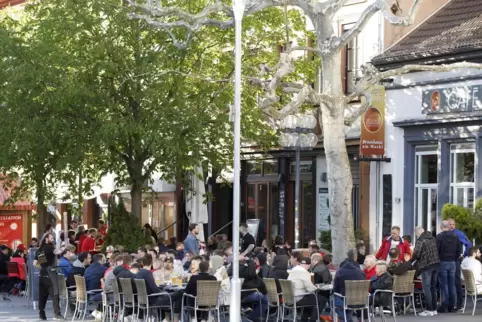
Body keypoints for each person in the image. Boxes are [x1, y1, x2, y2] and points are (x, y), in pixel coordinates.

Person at [34, 232, 63, 320]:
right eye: (51, 237)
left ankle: (41, 314)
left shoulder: (40, 250)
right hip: (51, 272)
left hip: (43, 272)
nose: (53, 239)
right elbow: (58, 252)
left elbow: (35, 263)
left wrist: (43, 269)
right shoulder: (50, 248)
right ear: (46, 239)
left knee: (42, 294)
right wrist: (64, 246)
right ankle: (57, 314)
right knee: (55, 293)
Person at [289, 255, 327, 321]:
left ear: (300, 263)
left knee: (310, 298)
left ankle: (304, 319)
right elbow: (310, 288)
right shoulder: (304, 272)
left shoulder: (292, 270)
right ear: (309, 265)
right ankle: (313, 319)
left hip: (289, 298)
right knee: (322, 299)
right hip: (298, 298)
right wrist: (316, 287)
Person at [412, 226, 439, 317]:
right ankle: (434, 309)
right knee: (433, 287)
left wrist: (411, 260)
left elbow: (417, 253)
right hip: (435, 264)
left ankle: (429, 309)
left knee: (426, 288)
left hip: (426, 265)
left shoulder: (420, 240)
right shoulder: (432, 238)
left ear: (418, 233)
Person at [436, 220, 463, 313]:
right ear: (448, 226)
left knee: (444, 285)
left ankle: (444, 305)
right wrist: (454, 258)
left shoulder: (439, 237)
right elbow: (459, 250)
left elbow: (437, 250)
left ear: (441, 227)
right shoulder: (455, 236)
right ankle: (452, 305)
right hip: (452, 262)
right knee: (452, 284)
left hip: (443, 262)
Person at [333, 249, 365, 322]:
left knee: (333, 301)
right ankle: (348, 319)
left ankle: (346, 319)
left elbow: (335, 288)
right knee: (348, 299)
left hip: (346, 299)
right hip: (361, 300)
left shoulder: (340, 271)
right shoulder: (360, 272)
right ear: (355, 257)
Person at [448, 218, 471, 311]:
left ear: (455, 225)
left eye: (452, 224)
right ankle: (451, 303)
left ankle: (459, 304)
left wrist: (464, 255)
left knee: (456, 282)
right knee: (450, 283)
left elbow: (468, 244)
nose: (451, 226)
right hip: (450, 260)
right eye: (449, 224)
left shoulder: (459, 234)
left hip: (455, 261)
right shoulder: (445, 234)